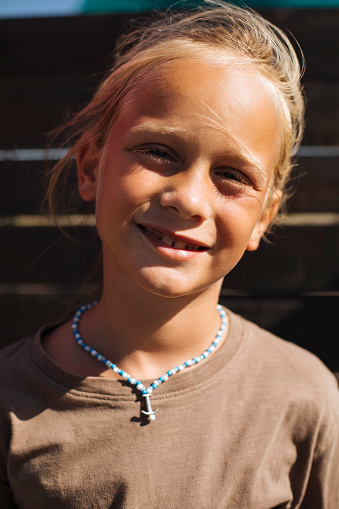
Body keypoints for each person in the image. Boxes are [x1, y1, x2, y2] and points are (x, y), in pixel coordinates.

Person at [0, 1, 338, 507]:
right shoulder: (8, 399)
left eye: (233, 176)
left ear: (263, 218)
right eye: (158, 151)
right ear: (91, 168)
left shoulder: (305, 395)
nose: (188, 198)